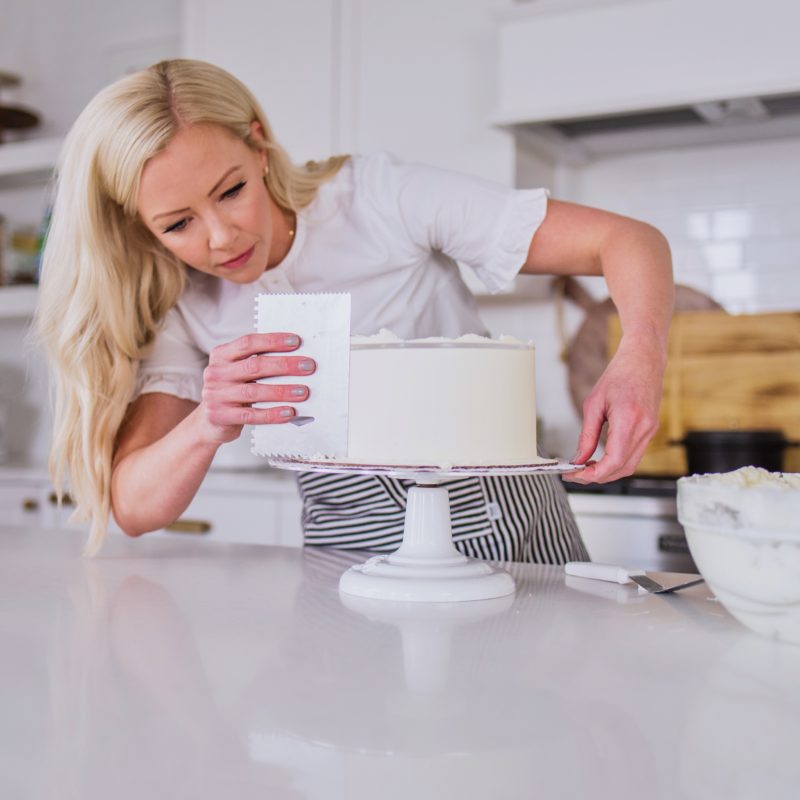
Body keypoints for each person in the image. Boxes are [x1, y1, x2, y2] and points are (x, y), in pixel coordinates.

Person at [35, 59, 673, 559]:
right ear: (143, 228)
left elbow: (627, 240)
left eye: (230, 191)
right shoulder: (179, 302)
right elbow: (135, 508)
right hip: (343, 552)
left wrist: (639, 353)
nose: (221, 238)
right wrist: (209, 421)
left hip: (509, 528)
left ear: (258, 145)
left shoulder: (376, 199)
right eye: (177, 224)